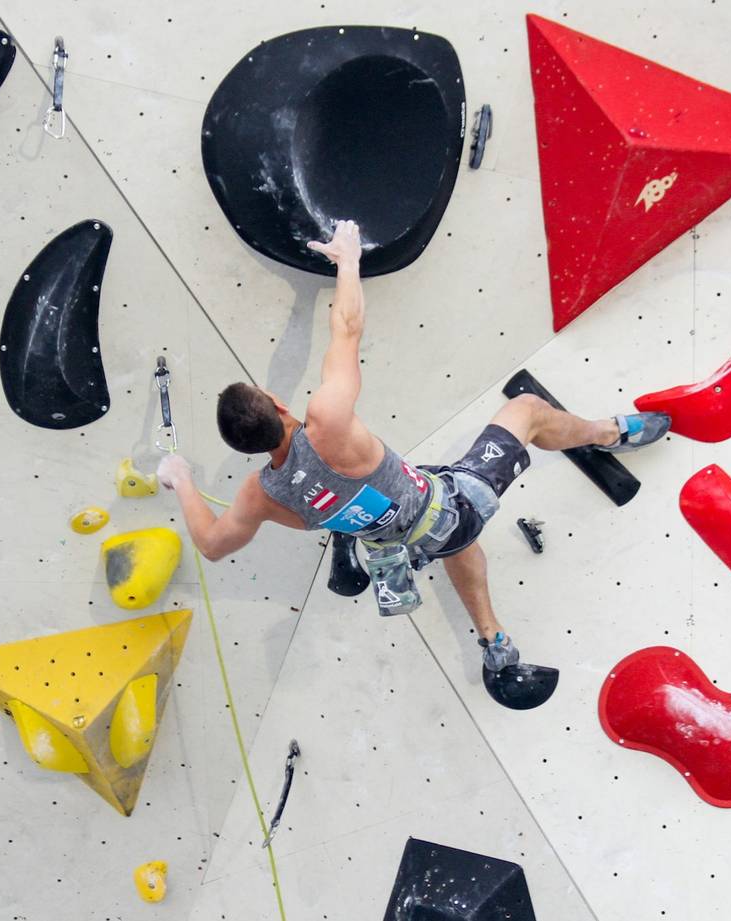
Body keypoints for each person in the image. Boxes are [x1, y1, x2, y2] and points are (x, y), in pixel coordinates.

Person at [155, 220, 669, 709]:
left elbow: (212, 545)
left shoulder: (261, 494)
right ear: (279, 404)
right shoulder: (327, 421)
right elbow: (347, 328)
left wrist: (181, 478)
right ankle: (608, 434)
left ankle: (494, 642)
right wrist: (348, 261)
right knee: (527, 412)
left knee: (442, 535)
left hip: (396, 541)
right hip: (449, 505)